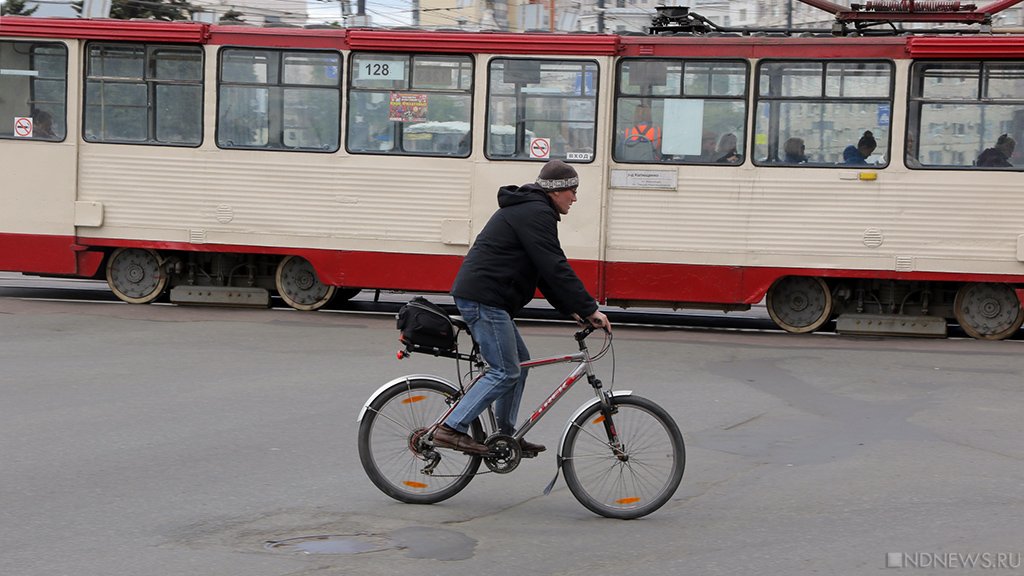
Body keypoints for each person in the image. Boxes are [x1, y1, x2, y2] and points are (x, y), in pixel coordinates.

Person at [432, 160, 612, 456]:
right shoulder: (535, 211)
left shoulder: (534, 210)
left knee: (519, 363)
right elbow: (555, 266)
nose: (575, 198)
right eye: (573, 191)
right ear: (556, 191)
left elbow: (544, 271)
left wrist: (574, 310)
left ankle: (504, 436)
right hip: (483, 298)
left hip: (489, 298)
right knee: (505, 371)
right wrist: (590, 307)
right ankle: (450, 428)